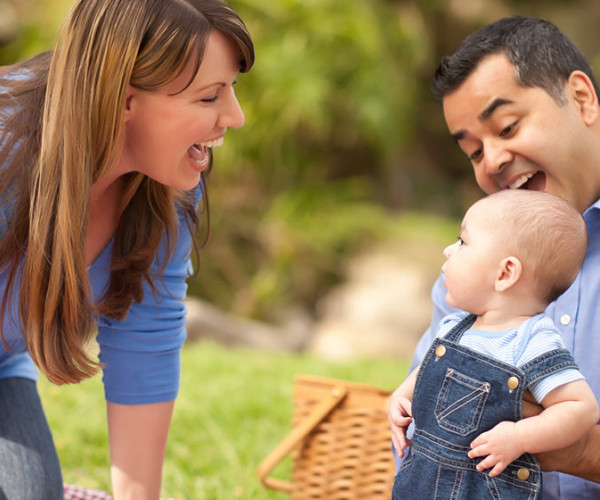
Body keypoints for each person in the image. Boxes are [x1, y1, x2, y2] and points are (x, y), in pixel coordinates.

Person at [0, 0, 254, 498]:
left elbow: (145, 349)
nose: (236, 117)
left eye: (232, 91)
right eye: (209, 98)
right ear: (122, 98)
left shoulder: (170, 189)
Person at [388, 15, 600, 499]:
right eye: (473, 152)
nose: (493, 159)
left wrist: (582, 452)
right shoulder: (473, 279)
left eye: (507, 126)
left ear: (583, 99)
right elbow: (424, 420)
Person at [389, 189, 598, 499]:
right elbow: (429, 371)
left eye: (463, 242)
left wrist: (519, 436)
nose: (448, 250)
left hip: (484, 489)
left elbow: (580, 408)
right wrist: (401, 396)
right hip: (423, 482)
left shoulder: (532, 340)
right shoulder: (455, 326)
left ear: (505, 273)